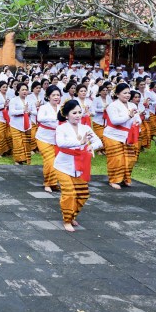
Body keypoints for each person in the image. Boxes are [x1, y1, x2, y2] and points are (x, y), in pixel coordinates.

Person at [54, 99, 103, 232]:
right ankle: (67, 220)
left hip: (80, 165)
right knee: (69, 192)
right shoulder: (61, 128)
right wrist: (79, 142)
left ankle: (71, 215)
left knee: (83, 193)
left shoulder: (85, 128)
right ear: (66, 114)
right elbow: (61, 143)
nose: (77, 115)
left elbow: (99, 142)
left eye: (79, 112)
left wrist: (90, 147)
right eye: (74, 112)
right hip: (63, 166)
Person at [103, 83, 141, 189]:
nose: (128, 95)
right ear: (117, 94)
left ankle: (125, 179)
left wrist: (137, 121)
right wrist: (129, 116)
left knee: (130, 159)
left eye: (129, 93)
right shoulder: (112, 106)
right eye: (125, 93)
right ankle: (114, 180)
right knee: (117, 159)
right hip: (113, 136)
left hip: (127, 136)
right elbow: (115, 121)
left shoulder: (133, 105)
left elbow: (138, 118)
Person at [36, 85, 62, 192]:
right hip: (43, 138)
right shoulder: (44, 107)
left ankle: (53, 182)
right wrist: (56, 118)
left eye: (58, 95)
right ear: (48, 96)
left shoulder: (62, 108)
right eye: (53, 95)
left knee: (57, 161)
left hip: (58, 139)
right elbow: (40, 118)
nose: (56, 97)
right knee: (49, 160)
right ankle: (48, 183)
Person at [8, 83, 37, 165]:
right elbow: (11, 112)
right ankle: (18, 160)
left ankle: (26, 159)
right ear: (18, 91)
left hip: (27, 125)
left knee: (27, 142)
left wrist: (29, 112)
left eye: (26, 90)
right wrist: (22, 111)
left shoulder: (30, 100)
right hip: (15, 125)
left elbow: (35, 112)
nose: (24, 91)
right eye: (22, 90)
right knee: (18, 142)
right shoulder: (14, 100)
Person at [0, 81, 13, 158]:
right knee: (0, 136)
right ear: (0, 88)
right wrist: (3, 105)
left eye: (6, 87)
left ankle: (7, 151)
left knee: (8, 135)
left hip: (7, 118)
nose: (5, 88)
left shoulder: (9, 96)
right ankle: (0, 152)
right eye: (3, 87)